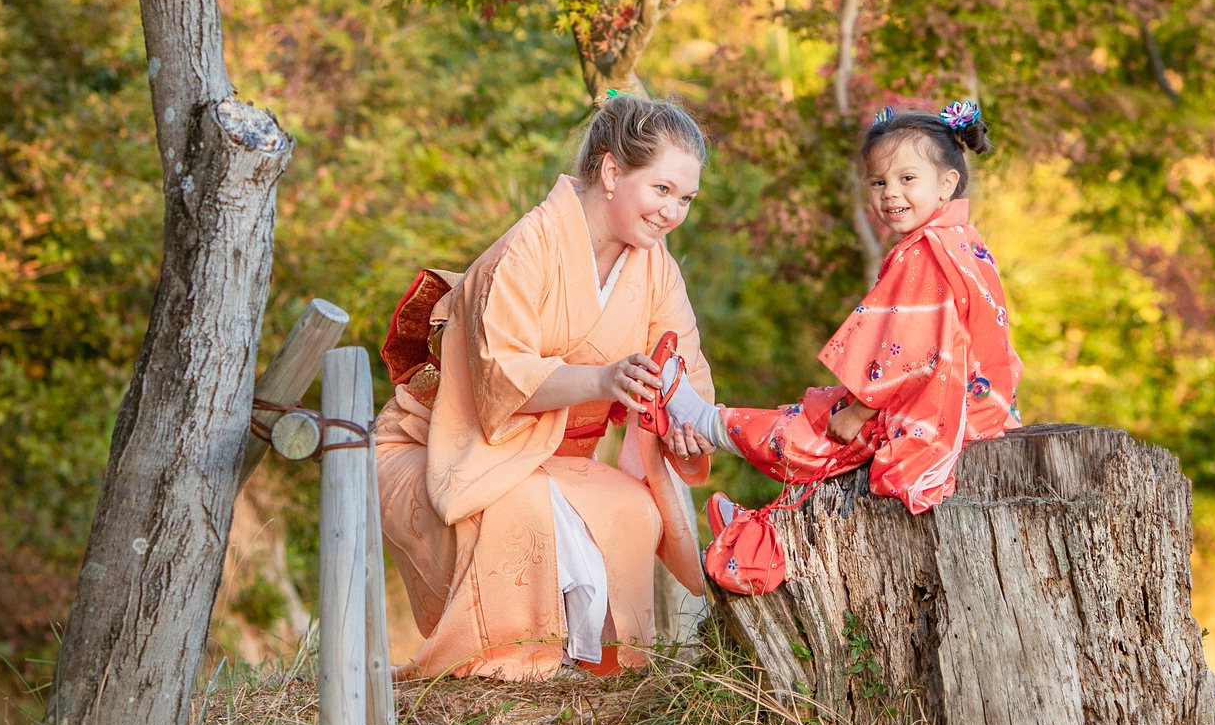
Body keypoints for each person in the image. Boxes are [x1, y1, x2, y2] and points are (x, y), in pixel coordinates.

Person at [373, 94, 718, 679]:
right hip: (447, 444)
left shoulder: (656, 267)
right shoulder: (530, 245)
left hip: (550, 458)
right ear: (612, 172)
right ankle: (516, 669)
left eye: (685, 198)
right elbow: (500, 379)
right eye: (662, 189)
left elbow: (684, 366)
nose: (671, 212)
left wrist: (690, 424)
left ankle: (598, 675)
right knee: (524, 510)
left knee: (633, 509)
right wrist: (602, 378)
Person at [661, 102, 1022, 532]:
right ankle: (763, 524)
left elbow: (908, 352)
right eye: (878, 181)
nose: (890, 193)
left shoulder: (925, 252)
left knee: (811, 436)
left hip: (933, 411)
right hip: (971, 405)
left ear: (947, 184)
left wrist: (858, 412)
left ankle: (751, 509)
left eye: (907, 179)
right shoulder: (962, 240)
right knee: (828, 420)